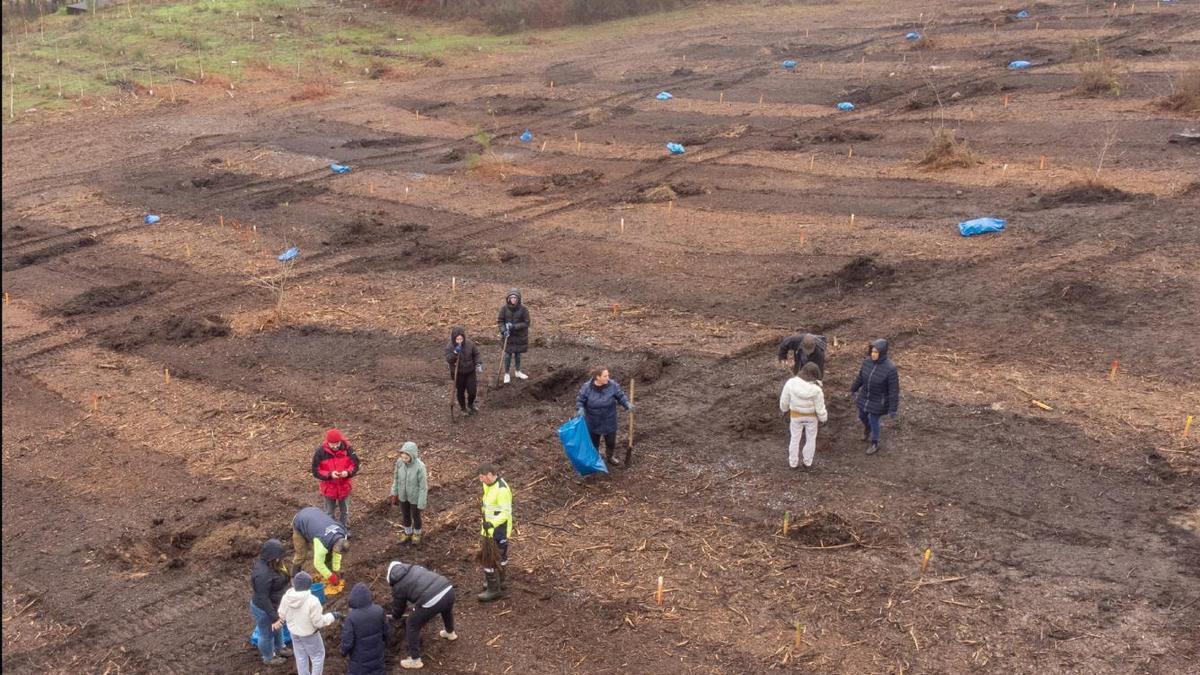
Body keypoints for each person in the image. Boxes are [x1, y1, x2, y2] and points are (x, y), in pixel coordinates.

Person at [387, 560, 457, 670]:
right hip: (448, 589)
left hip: (432, 599)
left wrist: (395, 616)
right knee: (446, 609)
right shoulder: (415, 568)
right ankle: (450, 632)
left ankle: (415, 660)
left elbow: (399, 607)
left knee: (411, 623)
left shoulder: (398, 585)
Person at [274, 571, 340, 675]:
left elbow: (281, 614)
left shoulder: (287, 597)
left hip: (294, 633)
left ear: (294, 584)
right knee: (317, 656)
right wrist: (332, 616)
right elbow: (318, 623)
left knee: (300, 656)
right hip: (309, 635)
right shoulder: (313, 601)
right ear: (309, 586)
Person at [575, 367, 635, 467]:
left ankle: (610, 457)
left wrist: (627, 404)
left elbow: (620, 396)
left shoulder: (613, 385)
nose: (608, 378)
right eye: (605, 376)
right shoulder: (587, 387)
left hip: (609, 419)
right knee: (594, 443)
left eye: (608, 375)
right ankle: (595, 459)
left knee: (611, 442)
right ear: (597, 377)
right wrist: (580, 408)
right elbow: (580, 400)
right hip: (593, 420)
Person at [850, 338, 900, 455]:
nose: (873, 354)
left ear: (882, 353)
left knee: (874, 419)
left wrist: (893, 408)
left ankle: (874, 443)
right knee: (862, 416)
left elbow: (894, 390)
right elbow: (860, 378)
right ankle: (867, 428)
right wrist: (854, 388)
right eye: (872, 351)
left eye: (876, 352)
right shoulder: (867, 362)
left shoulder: (890, 368)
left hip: (879, 400)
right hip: (865, 396)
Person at [250, 538, 293, 665]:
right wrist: (274, 616)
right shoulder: (262, 574)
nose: (281, 559)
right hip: (264, 609)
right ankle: (269, 657)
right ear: (272, 556)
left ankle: (280, 647)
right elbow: (263, 598)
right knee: (266, 633)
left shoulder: (275, 565)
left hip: (275, 605)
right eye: (279, 556)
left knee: (278, 628)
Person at [779, 362, 829, 469]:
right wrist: (823, 419)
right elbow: (820, 408)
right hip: (811, 418)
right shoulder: (817, 390)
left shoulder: (791, 383)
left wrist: (784, 410)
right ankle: (807, 462)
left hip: (796, 416)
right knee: (811, 439)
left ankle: (793, 463)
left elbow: (784, 400)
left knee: (795, 438)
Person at [476, 463, 513, 602]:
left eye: (482, 477)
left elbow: (506, 512)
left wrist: (492, 523)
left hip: (497, 530)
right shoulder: (488, 485)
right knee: (498, 556)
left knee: (490, 558)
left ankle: (493, 589)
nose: (481, 480)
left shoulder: (502, 490)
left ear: (490, 475)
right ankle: (499, 581)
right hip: (488, 529)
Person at [311, 428, 361, 528]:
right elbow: (316, 471)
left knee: (344, 511)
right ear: (327, 442)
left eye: (337, 443)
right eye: (332, 444)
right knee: (329, 512)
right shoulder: (320, 453)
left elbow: (355, 464)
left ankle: (343, 529)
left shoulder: (348, 449)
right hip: (329, 488)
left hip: (344, 487)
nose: (335, 446)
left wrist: (347, 472)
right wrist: (329, 475)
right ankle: (331, 531)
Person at [292, 506, 350, 588]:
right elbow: (318, 563)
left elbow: (337, 554)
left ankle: (330, 569)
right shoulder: (322, 545)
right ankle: (294, 576)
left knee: (328, 554)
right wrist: (330, 577)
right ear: (335, 545)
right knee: (301, 555)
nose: (337, 552)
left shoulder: (342, 534)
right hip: (301, 520)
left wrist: (336, 570)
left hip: (314, 516)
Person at [340, 582, 391, 675]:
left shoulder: (351, 617)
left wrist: (343, 652)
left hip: (359, 664)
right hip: (377, 659)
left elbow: (347, 642)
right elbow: (386, 632)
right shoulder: (379, 610)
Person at [389, 442, 428, 545]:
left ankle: (417, 533)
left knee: (416, 516)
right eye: (402, 457)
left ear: (412, 456)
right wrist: (394, 492)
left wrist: (421, 502)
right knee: (405, 515)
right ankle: (408, 533)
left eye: (406, 458)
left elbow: (423, 487)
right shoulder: (399, 463)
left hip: (415, 497)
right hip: (403, 495)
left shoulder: (420, 467)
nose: (404, 460)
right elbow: (396, 479)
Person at [496, 288, 531, 384]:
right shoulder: (504, 309)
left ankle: (518, 371)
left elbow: (526, 323)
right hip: (509, 337)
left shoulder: (524, 309)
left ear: (518, 298)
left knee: (518, 354)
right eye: (511, 298)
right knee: (507, 355)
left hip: (519, 336)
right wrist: (503, 331)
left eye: (515, 298)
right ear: (508, 299)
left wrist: (514, 326)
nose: (513, 299)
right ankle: (506, 373)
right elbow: (500, 321)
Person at [445, 326, 483, 414]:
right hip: (458, 373)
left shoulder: (470, 344)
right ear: (454, 338)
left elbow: (476, 354)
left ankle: (470, 404)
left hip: (470, 371)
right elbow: (448, 359)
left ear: (464, 337)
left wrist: (478, 363)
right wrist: (455, 352)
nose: (459, 341)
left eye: (461, 339)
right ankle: (463, 408)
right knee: (460, 391)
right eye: (457, 339)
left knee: (472, 391)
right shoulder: (450, 346)